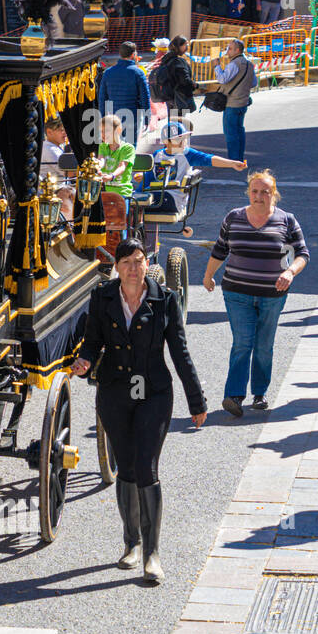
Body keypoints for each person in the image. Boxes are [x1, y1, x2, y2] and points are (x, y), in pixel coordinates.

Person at [73, 237, 206, 585]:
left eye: (139, 260)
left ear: (148, 264)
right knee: (127, 468)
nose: (133, 268)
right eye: (127, 262)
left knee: (147, 466)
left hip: (154, 394)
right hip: (115, 393)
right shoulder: (102, 297)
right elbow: (92, 340)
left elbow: (180, 351)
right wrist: (85, 359)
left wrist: (196, 401)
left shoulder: (165, 300)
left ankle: (152, 553)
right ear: (116, 267)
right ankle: (130, 543)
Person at [203, 172, 309, 417]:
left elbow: (302, 254)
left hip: (273, 294)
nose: (259, 196)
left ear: (274, 194)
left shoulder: (287, 221)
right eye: (254, 191)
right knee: (242, 342)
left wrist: (290, 272)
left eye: (265, 192)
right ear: (248, 192)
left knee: (263, 345)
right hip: (236, 292)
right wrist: (208, 276)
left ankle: (259, 392)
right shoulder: (234, 217)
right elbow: (220, 249)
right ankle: (234, 396)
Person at [140, 121, 247, 221]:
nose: (183, 142)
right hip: (156, 195)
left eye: (185, 138)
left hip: (173, 198)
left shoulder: (187, 154)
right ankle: (143, 239)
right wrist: (137, 191)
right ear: (166, 142)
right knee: (134, 203)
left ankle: (135, 237)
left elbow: (209, 159)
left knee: (137, 207)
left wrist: (232, 163)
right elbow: (147, 178)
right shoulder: (158, 155)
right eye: (178, 139)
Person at [97, 41, 151, 146]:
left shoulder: (108, 72)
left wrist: (103, 117)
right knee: (131, 147)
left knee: (116, 146)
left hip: (114, 115)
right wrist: (147, 118)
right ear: (133, 55)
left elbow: (102, 98)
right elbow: (145, 97)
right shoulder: (138, 73)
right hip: (133, 115)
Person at [213, 38, 258, 163]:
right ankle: (239, 156)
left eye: (230, 49)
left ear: (237, 50)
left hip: (231, 103)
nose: (227, 51)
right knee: (239, 130)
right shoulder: (249, 64)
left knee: (231, 132)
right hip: (243, 102)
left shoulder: (234, 64)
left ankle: (234, 159)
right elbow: (254, 82)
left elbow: (222, 79)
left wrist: (217, 66)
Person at [97, 114, 137, 206]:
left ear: (118, 130)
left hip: (122, 192)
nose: (103, 135)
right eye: (101, 131)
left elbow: (122, 166)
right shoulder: (102, 146)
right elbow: (101, 160)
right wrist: (97, 167)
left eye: (106, 131)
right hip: (104, 192)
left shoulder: (128, 148)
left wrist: (111, 176)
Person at [155, 35, 196, 116]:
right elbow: (184, 80)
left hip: (169, 96)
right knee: (181, 123)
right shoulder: (178, 61)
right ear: (179, 46)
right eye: (185, 45)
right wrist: (194, 85)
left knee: (173, 123)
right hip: (180, 97)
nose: (187, 47)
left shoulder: (166, 59)